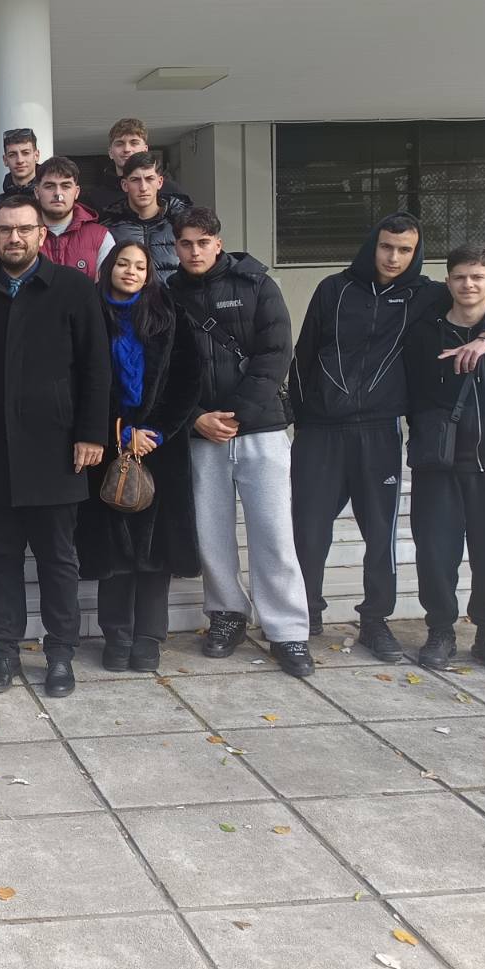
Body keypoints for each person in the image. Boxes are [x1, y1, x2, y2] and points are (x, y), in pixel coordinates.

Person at [289, 213, 485, 653]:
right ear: (372, 245)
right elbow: (304, 355)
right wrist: (302, 419)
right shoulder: (333, 289)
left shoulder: (426, 294)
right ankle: (304, 613)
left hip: (379, 430)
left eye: (404, 250)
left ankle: (375, 620)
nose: (393, 257)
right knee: (308, 528)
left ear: (416, 253)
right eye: (386, 247)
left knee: (380, 535)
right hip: (321, 431)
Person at [0, 195, 111, 698]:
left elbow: (95, 367)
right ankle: (5, 652)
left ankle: (60, 655)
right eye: (4, 230)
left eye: (23, 229)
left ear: (41, 235)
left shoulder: (74, 290)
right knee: (2, 559)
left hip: (57, 451)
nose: (13, 238)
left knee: (58, 559)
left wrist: (91, 433)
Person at [166, 208, 314, 677]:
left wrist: (237, 415)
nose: (194, 251)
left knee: (274, 534)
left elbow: (276, 353)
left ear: (218, 241)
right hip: (201, 434)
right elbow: (164, 370)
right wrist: (195, 418)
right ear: (176, 246)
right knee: (211, 536)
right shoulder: (168, 295)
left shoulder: (257, 285)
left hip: (260, 431)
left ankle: (287, 630)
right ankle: (226, 614)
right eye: (185, 243)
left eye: (202, 242)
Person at [404, 244, 485, 678]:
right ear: (448, 281)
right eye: (460, 276)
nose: (468, 284)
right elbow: (411, 389)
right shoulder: (426, 332)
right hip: (438, 467)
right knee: (435, 555)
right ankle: (440, 631)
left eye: (478, 277)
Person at [75, 241, 200, 672]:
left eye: (140, 266)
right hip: (106, 445)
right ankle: (117, 635)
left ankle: (148, 638)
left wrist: (156, 432)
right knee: (113, 551)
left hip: (160, 448)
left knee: (156, 551)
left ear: (149, 274)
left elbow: (189, 379)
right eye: (123, 264)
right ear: (108, 267)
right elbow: (80, 379)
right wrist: (118, 432)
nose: (130, 271)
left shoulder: (169, 312)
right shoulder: (90, 313)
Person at [104, 152, 183, 284]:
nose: (143, 187)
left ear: (160, 182)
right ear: (124, 185)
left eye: (149, 179)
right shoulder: (108, 230)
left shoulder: (181, 225)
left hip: (174, 297)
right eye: (135, 180)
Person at [93, 117, 191, 217]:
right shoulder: (96, 198)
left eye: (134, 143)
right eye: (120, 144)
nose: (127, 149)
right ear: (110, 152)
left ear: (145, 150)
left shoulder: (171, 191)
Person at [37, 156, 114, 280]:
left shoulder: (101, 237)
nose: (58, 194)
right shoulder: (22, 235)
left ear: (77, 192)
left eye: (65, 186)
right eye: (50, 186)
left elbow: (106, 287)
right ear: (37, 192)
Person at [0, 127, 40, 198]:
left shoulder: (49, 199)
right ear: (5, 160)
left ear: (36, 156)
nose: (20, 160)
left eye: (26, 153)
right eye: (12, 155)